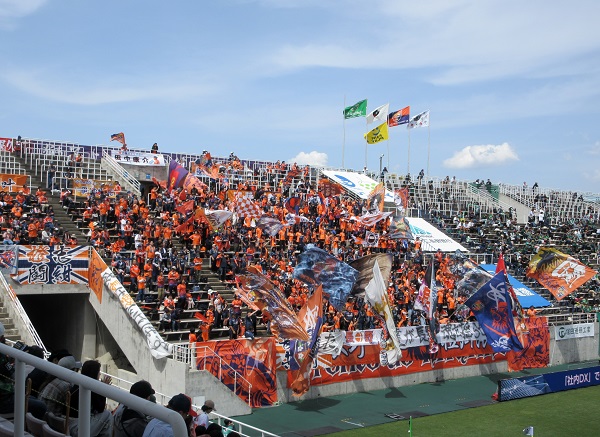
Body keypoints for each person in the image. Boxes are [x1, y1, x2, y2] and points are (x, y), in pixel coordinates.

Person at [0, 322, 47, 419]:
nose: (4, 339)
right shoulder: (1, 356)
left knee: (32, 399)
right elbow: (14, 375)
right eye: (2, 337)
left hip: (5, 397)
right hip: (4, 400)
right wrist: (17, 360)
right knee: (41, 406)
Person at [67, 360, 113, 437]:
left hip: (68, 425)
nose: (100, 374)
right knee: (107, 414)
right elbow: (100, 408)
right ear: (94, 373)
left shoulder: (77, 384)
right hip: (77, 429)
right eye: (98, 372)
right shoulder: (89, 388)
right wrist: (103, 389)